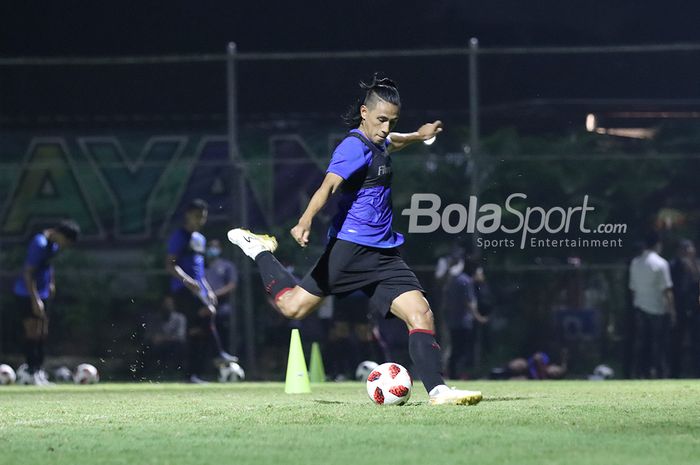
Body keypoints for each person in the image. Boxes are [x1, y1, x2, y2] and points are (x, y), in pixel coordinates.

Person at [228, 75, 481, 405]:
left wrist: (419, 135)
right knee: (293, 307)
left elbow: (395, 142)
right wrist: (304, 221)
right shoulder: (352, 147)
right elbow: (327, 186)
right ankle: (260, 251)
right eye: (381, 120)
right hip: (349, 250)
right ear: (364, 112)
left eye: (392, 121)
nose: (386, 127)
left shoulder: (380, 141)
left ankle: (439, 391)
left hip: (385, 253)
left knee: (422, 314)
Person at [165, 199, 236, 383]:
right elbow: (170, 265)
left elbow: (200, 271)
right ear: (188, 215)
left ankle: (191, 375)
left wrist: (208, 289)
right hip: (182, 290)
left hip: (196, 290)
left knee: (197, 332)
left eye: (203, 217)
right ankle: (219, 354)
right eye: (197, 216)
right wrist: (188, 281)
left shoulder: (200, 239)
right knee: (208, 312)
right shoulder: (180, 236)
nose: (200, 220)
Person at [12, 220, 81, 385]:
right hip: (27, 294)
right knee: (32, 332)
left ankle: (38, 371)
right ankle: (30, 371)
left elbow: (48, 266)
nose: (65, 245)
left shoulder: (53, 245)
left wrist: (51, 283)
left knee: (42, 332)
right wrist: (35, 299)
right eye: (67, 241)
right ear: (61, 235)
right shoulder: (39, 243)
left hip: (43, 293)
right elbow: (28, 273)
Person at [629, 231, 676, 378]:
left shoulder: (635, 263)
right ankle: (659, 371)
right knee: (659, 344)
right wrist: (672, 311)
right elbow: (667, 290)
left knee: (642, 343)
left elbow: (633, 289)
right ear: (657, 244)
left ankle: (639, 372)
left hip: (640, 307)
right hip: (658, 309)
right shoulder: (661, 264)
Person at [441, 257, 488, 380]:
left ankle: (452, 373)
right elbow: (469, 302)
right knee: (461, 349)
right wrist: (478, 317)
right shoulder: (466, 281)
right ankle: (458, 373)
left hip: (452, 321)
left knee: (455, 348)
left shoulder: (453, 280)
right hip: (463, 322)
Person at [669, 239, 700, 377]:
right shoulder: (674, 265)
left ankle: (696, 371)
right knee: (676, 343)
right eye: (685, 249)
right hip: (679, 308)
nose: (688, 252)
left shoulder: (697, 265)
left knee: (696, 342)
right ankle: (675, 373)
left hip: (695, 309)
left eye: (690, 249)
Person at [205, 239, 239, 355]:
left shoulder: (227, 266)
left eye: (214, 247)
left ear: (220, 249)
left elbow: (231, 285)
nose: (211, 249)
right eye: (209, 247)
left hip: (222, 308)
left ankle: (226, 355)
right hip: (204, 308)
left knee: (223, 334)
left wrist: (214, 295)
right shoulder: (202, 267)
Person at [142, 295, 187, 378]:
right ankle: (150, 374)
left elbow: (180, 336)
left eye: (170, 304)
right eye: (165, 304)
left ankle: (175, 373)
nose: (168, 306)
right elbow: (148, 334)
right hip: (156, 346)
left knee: (178, 347)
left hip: (173, 346)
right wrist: (154, 338)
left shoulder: (180, 318)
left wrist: (163, 338)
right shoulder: (154, 319)